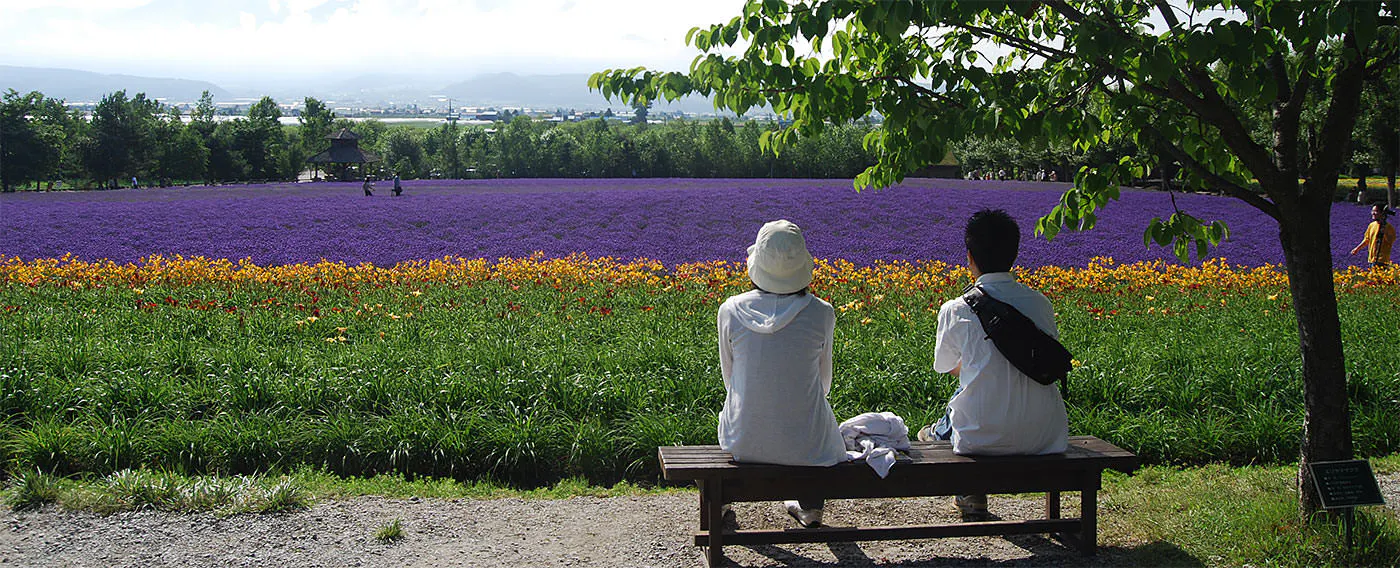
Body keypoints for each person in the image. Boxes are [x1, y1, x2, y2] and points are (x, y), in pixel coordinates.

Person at [917, 209, 1069, 520]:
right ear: (1014, 253)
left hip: (980, 438)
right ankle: (946, 445)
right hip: (1046, 434)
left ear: (969, 256)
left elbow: (945, 365)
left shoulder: (956, 308)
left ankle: (966, 483)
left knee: (955, 411)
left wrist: (978, 367)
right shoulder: (1040, 302)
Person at [717, 219, 845, 528]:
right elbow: (823, 384)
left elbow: (730, 380)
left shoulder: (730, 310)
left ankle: (720, 506)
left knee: (734, 412)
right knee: (814, 419)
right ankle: (811, 505)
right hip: (810, 447)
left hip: (743, 441)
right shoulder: (821, 312)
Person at [1349, 204, 1395, 268]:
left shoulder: (1389, 227)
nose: (1373, 213)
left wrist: (1384, 230)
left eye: (1376, 211)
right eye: (1372, 211)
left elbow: (1390, 241)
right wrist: (1357, 249)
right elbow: (1367, 239)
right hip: (1371, 260)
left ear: (1382, 213)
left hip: (1382, 261)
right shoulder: (1372, 225)